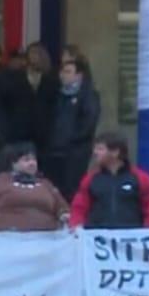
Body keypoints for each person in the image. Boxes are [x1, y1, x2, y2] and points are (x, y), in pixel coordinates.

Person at [0, 143, 70, 233]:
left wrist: (64, 214)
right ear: (13, 163)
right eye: (26, 160)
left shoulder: (46, 184)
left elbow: (62, 207)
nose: (32, 163)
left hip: (44, 242)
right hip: (5, 241)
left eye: (34, 159)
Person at [40, 56, 101, 200]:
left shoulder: (88, 95)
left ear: (78, 75)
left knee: (72, 189)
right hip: (55, 151)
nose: (63, 75)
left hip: (75, 152)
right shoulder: (59, 95)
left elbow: (88, 123)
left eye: (68, 72)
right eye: (62, 72)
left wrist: (70, 140)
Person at [69, 132, 149, 230]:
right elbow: (79, 208)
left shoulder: (141, 178)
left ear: (115, 152)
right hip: (97, 240)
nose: (95, 152)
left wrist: (148, 232)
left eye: (100, 149)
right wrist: (76, 225)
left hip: (131, 239)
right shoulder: (90, 179)